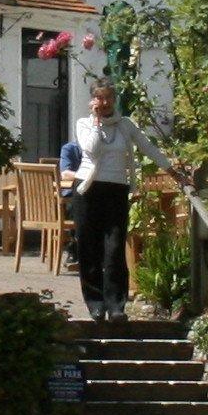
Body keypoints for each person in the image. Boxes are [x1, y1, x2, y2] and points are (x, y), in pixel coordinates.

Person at [68, 84, 146, 319]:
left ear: (114, 100)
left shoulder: (125, 125)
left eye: (108, 97)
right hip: (87, 188)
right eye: (99, 98)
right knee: (88, 245)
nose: (104, 102)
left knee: (114, 248)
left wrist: (171, 170)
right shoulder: (84, 124)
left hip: (116, 189)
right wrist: (95, 121)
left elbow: (147, 146)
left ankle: (116, 306)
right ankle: (95, 303)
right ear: (92, 100)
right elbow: (91, 148)